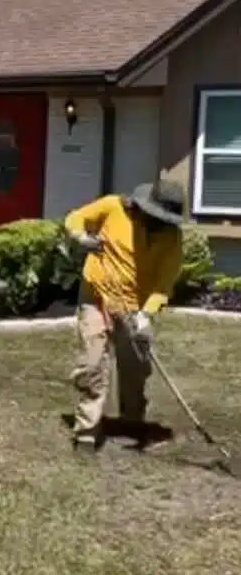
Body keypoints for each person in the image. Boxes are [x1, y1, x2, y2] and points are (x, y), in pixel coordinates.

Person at [62, 178, 186, 450]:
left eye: (163, 221)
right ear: (142, 207)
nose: (157, 224)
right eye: (154, 217)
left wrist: (145, 315)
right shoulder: (112, 207)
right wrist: (81, 237)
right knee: (93, 363)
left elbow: (163, 284)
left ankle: (132, 420)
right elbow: (75, 218)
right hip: (96, 297)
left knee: (135, 366)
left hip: (135, 307)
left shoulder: (172, 238)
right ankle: (87, 431)